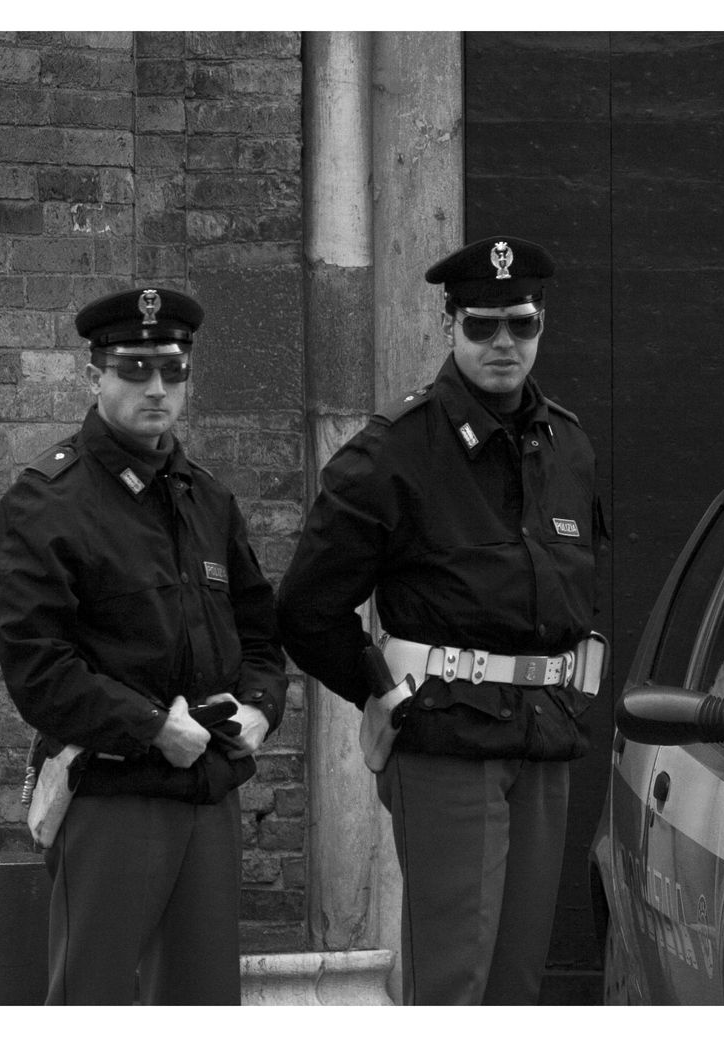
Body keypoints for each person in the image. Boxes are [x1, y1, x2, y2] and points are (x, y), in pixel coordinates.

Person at [276, 234, 608, 1005]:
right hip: (448, 742)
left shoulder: (569, 444)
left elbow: (570, 586)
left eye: (520, 324)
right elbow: (306, 606)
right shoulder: (393, 452)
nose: (502, 343)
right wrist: (380, 692)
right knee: (452, 981)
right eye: (481, 325)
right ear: (448, 323)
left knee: (516, 985)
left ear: (542, 324)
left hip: (544, 739)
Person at [0, 286, 286, 1004]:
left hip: (207, 793)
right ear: (94, 376)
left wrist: (259, 710)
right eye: (134, 368)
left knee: (203, 1000)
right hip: (110, 796)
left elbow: (261, 635)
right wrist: (153, 727)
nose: (157, 387)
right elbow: (39, 668)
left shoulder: (207, 498)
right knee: (92, 998)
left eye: (173, 369)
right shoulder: (45, 500)